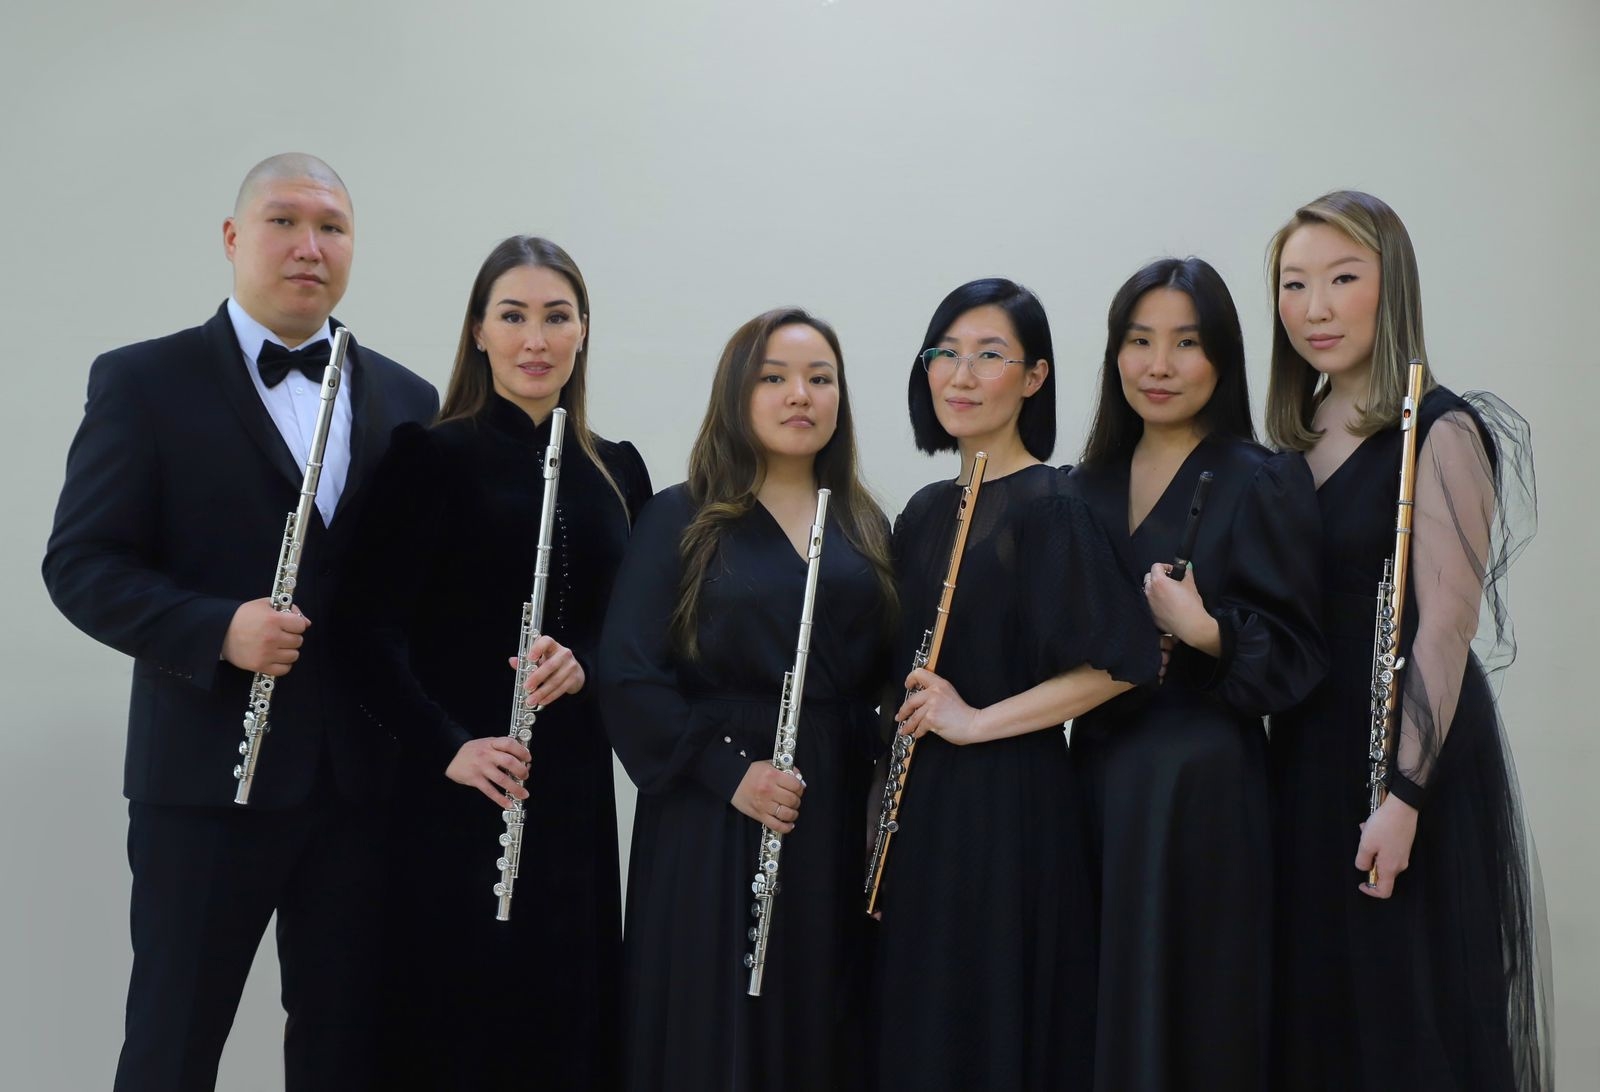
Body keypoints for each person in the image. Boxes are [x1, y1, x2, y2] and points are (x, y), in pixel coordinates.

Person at [41, 153, 438, 1091]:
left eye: (332, 227)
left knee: (348, 1051)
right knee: (172, 1047)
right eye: (283, 221)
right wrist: (218, 629)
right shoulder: (144, 381)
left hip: (360, 787)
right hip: (205, 780)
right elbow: (80, 564)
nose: (310, 246)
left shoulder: (409, 399)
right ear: (232, 237)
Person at [336, 235, 651, 1089]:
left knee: (566, 1015)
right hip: (457, 789)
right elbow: (363, 633)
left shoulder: (617, 471)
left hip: (572, 794)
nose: (535, 340)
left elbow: (639, 632)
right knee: (459, 1020)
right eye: (512, 317)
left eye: (556, 317)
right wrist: (450, 747)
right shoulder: (429, 456)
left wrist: (586, 664)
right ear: (478, 331)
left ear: (583, 330)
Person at [1265, 190, 1551, 1092]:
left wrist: (1405, 797)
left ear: (1392, 289)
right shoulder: (1287, 440)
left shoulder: (1443, 429)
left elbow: (1446, 630)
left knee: (1401, 1015)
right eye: (1294, 284)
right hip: (1306, 752)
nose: (1315, 307)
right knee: (1316, 1017)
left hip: (1401, 759)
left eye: (1342, 279)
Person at [870, 278, 1161, 1091]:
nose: (961, 375)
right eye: (945, 353)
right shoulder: (925, 511)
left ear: (1034, 377)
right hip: (922, 812)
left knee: (990, 1027)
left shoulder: (1052, 504)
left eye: (989, 356)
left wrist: (974, 721)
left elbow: (1123, 662)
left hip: (1011, 808)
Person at [597, 308, 893, 1092]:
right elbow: (628, 674)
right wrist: (733, 776)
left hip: (827, 809)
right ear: (737, 393)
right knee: (714, 1018)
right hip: (710, 808)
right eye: (775, 378)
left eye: (820, 379)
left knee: (819, 1014)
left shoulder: (866, 525)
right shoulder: (679, 516)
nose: (801, 395)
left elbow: (883, 679)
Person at [1066, 257, 1326, 1091]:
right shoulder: (1079, 488)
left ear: (1222, 358)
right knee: (1093, 1007)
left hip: (1202, 790)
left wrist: (1205, 630)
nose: (1159, 365)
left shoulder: (1264, 477)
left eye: (1186, 342)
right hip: (1088, 780)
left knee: (1195, 1015)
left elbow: (1298, 654)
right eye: (1139, 341)